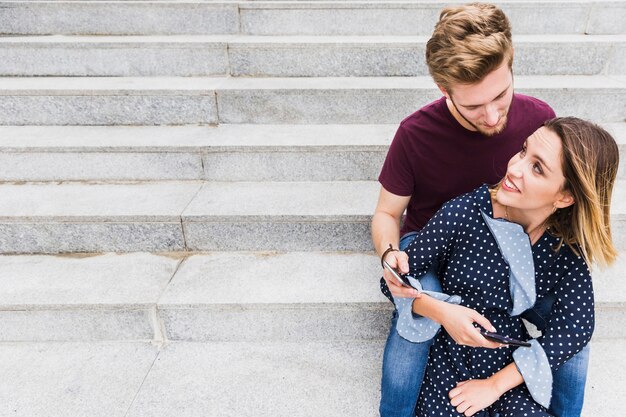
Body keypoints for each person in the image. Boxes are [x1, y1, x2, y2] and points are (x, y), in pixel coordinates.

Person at [371, 3, 587, 417]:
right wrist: (389, 253)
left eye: (500, 95)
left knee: (572, 336)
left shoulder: (540, 119)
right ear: (444, 89)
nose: (491, 115)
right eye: (473, 106)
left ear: (511, 67)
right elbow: (386, 213)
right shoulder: (415, 134)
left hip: (513, 240)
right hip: (435, 240)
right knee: (415, 327)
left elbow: (559, 195)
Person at [390, 117, 618, 416]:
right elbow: (393, 280)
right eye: (523, 151)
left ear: (564, 197)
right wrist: (442, 312)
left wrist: (496, 385)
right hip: (449, 356)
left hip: (507, 366)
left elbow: (575, 327)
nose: (514, 168)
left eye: (537, 168)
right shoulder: (464, 212)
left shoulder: (562, 246)